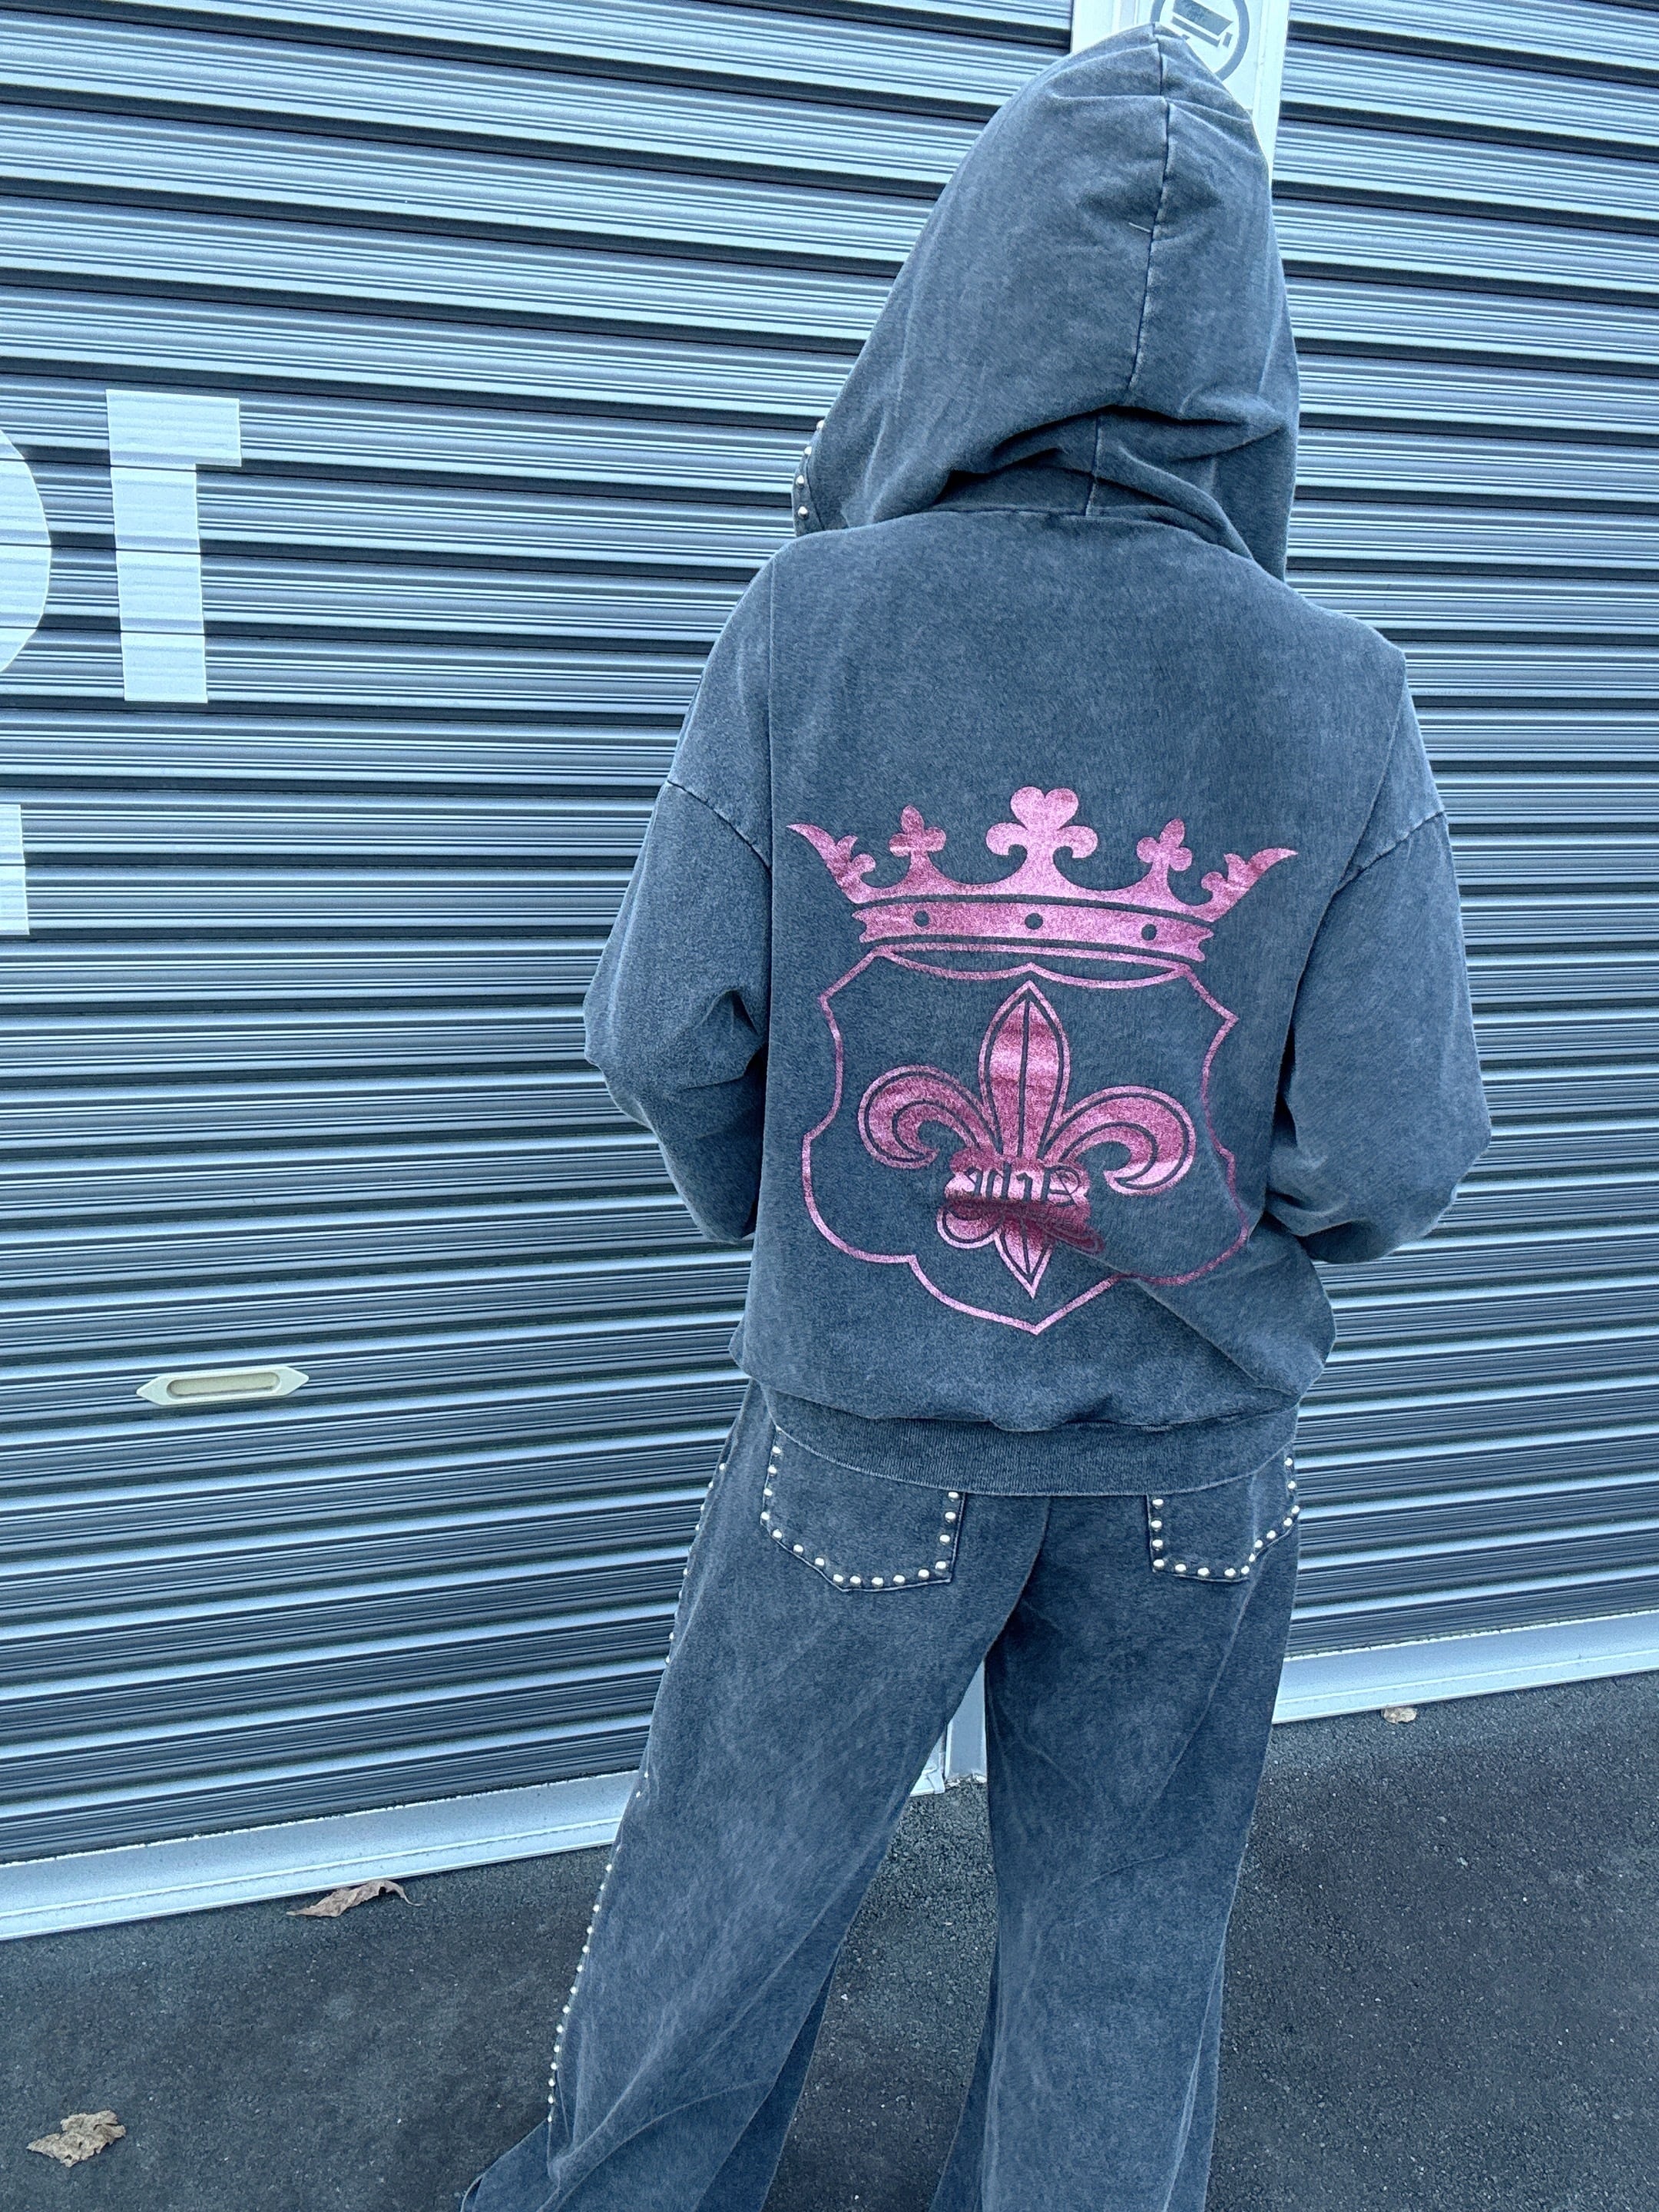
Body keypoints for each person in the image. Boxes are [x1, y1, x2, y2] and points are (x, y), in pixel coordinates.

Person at [463, 24, 1488, 2212]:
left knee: (734, 1880)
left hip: (865, 1423)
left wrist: (806, 1214)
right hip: (1188, 1456)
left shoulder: (811, 628)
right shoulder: (1341, 689)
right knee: (1128, 1923)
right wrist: (1220, 1230)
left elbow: (664, 1033)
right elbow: (1395, 1145)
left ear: (956, 298)